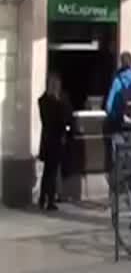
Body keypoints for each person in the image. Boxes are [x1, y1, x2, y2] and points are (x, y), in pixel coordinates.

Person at [104, 52, 131, 190]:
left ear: (121, 62)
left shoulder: (117, 81)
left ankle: (118, 190)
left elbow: (108, 106)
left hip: (118, 126)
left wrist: (115, 116)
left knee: (118, 158)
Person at [37, 73, 73, 211]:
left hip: (47, 139)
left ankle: (42, 199)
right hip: (55, 139)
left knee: (48, 171)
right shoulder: (54, 102)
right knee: (51, 171)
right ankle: (50, 200)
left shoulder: (42, 101)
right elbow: (61, 119)